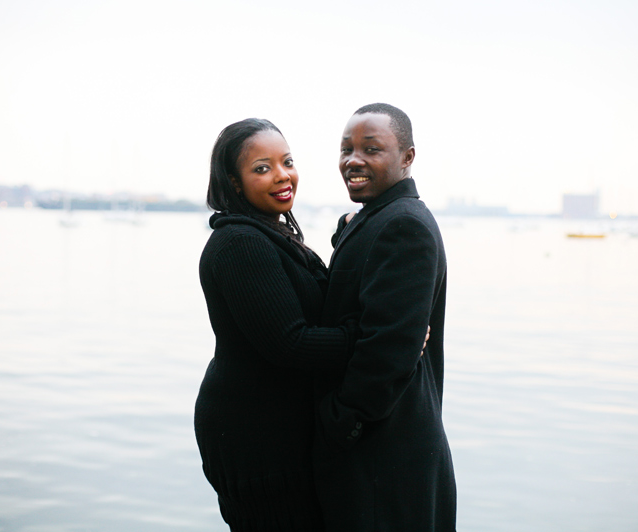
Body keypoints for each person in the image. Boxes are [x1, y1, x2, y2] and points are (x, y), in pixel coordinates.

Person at [194, 118, 358, 531]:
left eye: (286, 161)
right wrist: (382, 339)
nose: (282, 175)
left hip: (274, 428)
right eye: (262, 168)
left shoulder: (269, 232)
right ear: (234, 182)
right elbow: (292, 343)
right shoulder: (240, 244)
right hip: (255, 440)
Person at [314, 103, 457, 531]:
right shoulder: (378, 218)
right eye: (346, 149)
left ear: (407, 158)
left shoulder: (404, 226)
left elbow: (389, 349)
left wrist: (340, 421)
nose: (353, 160)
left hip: (387, 456)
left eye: (371, 149)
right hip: (382, 450)